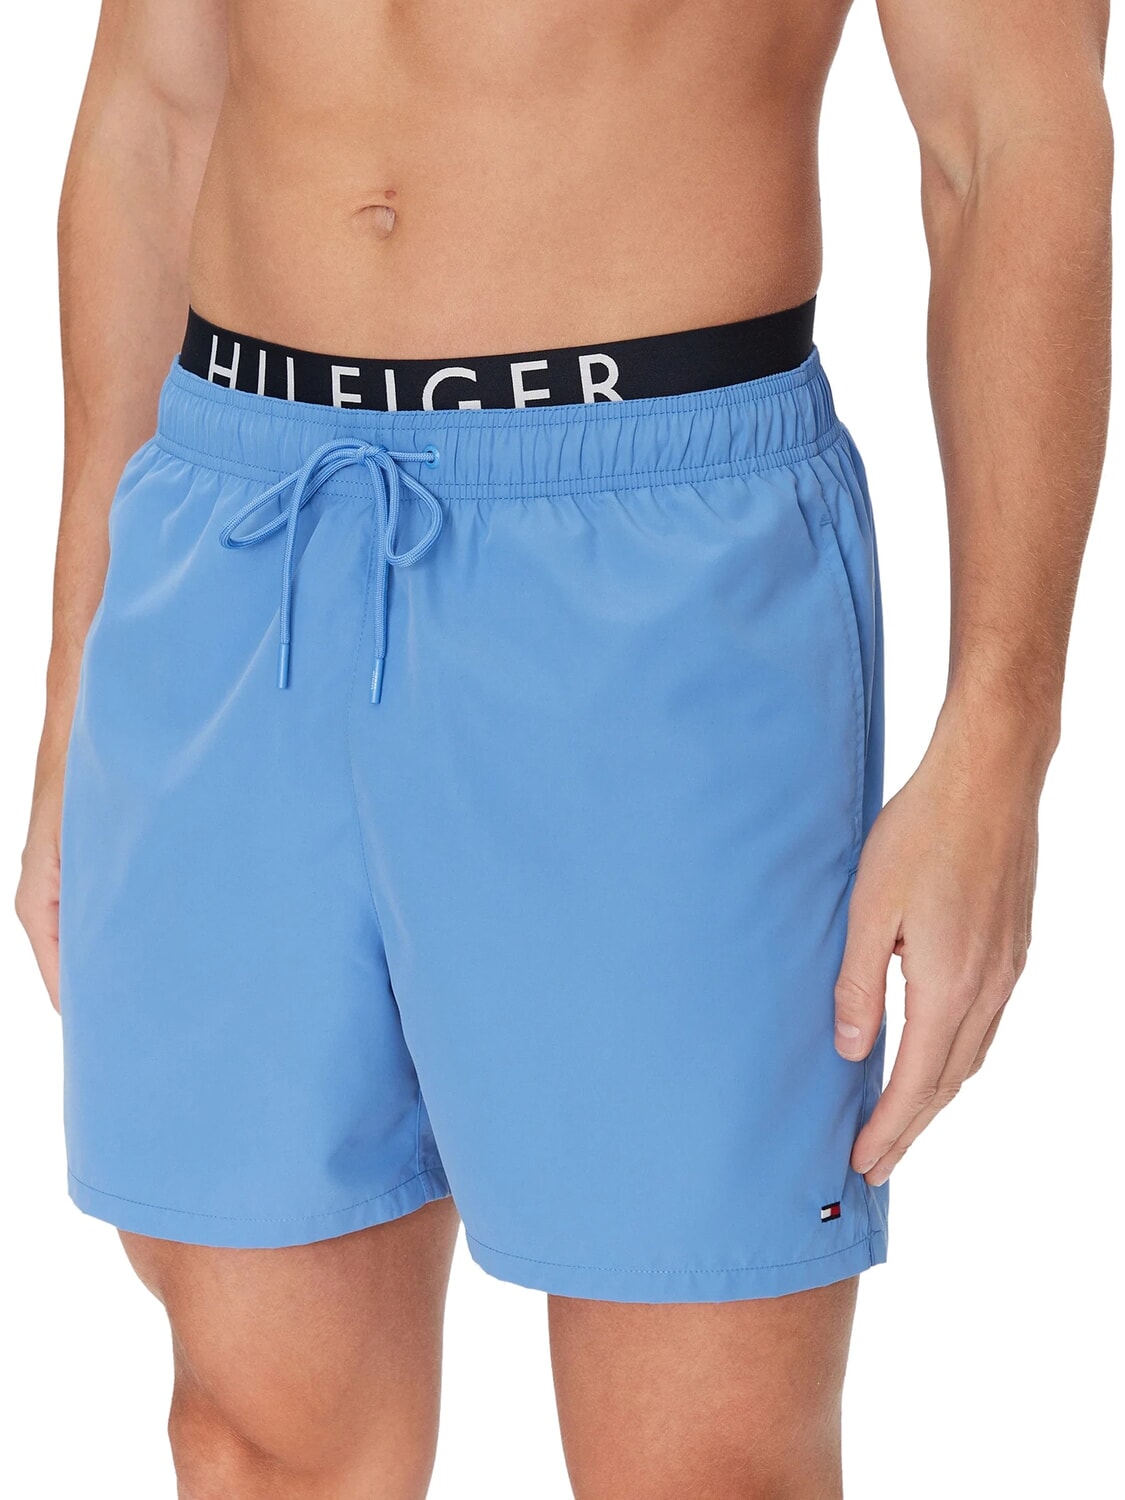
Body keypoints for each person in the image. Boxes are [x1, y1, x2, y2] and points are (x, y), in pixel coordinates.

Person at [16, 2, 1112, 1495]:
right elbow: (154, 114)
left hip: (655, 556)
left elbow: (1008, 134)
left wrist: (1000, 735)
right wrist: (75, 691)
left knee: (704, 1467)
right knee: (256, 1433)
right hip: (239, 528)